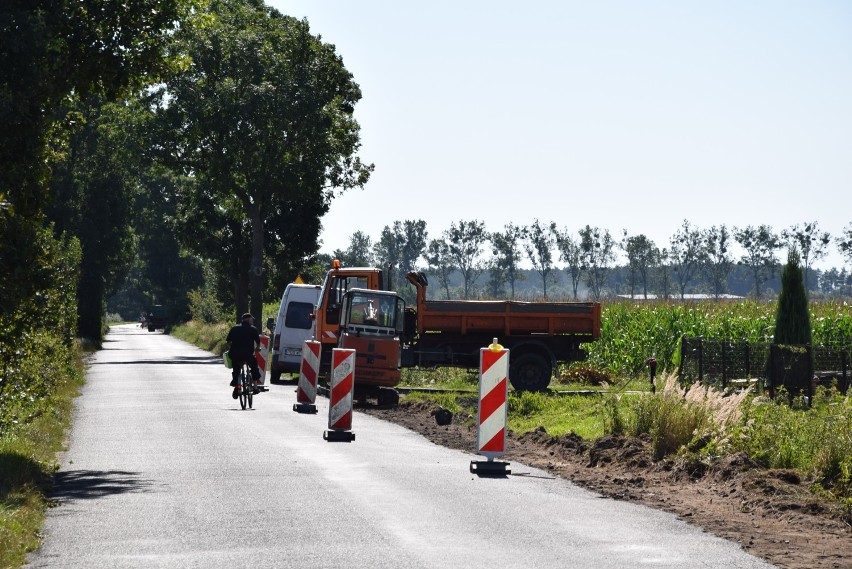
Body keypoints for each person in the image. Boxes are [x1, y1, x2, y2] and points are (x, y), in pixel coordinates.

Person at [226, 313, 261, 399]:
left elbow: (228, 342)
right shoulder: (253, 329)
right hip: (248, 355)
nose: (252, 321)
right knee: (254, 367)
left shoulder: (234, 328)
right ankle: (255, 387)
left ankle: (236, 384)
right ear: (248, 319)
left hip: (235, 355)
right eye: (251, 319)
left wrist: (231, 348)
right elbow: (258, 343)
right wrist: (257, 348)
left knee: (236, 369)